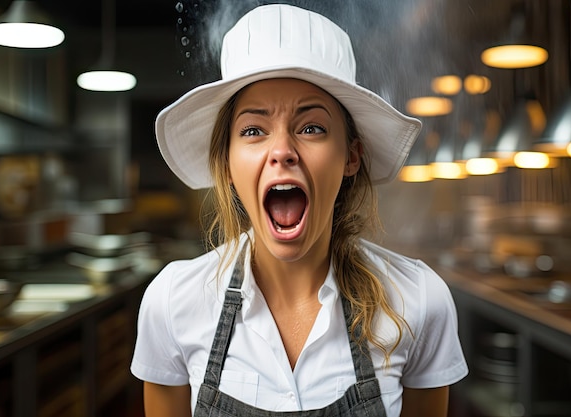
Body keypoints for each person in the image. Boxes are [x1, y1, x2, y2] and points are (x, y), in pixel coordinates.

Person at [131, 4, 468, 416]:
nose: (282, 152)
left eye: (312, 128)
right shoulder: (172, 303)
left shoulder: (419, 302)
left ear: (351, 156)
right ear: (227, 163)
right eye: (254, 130)